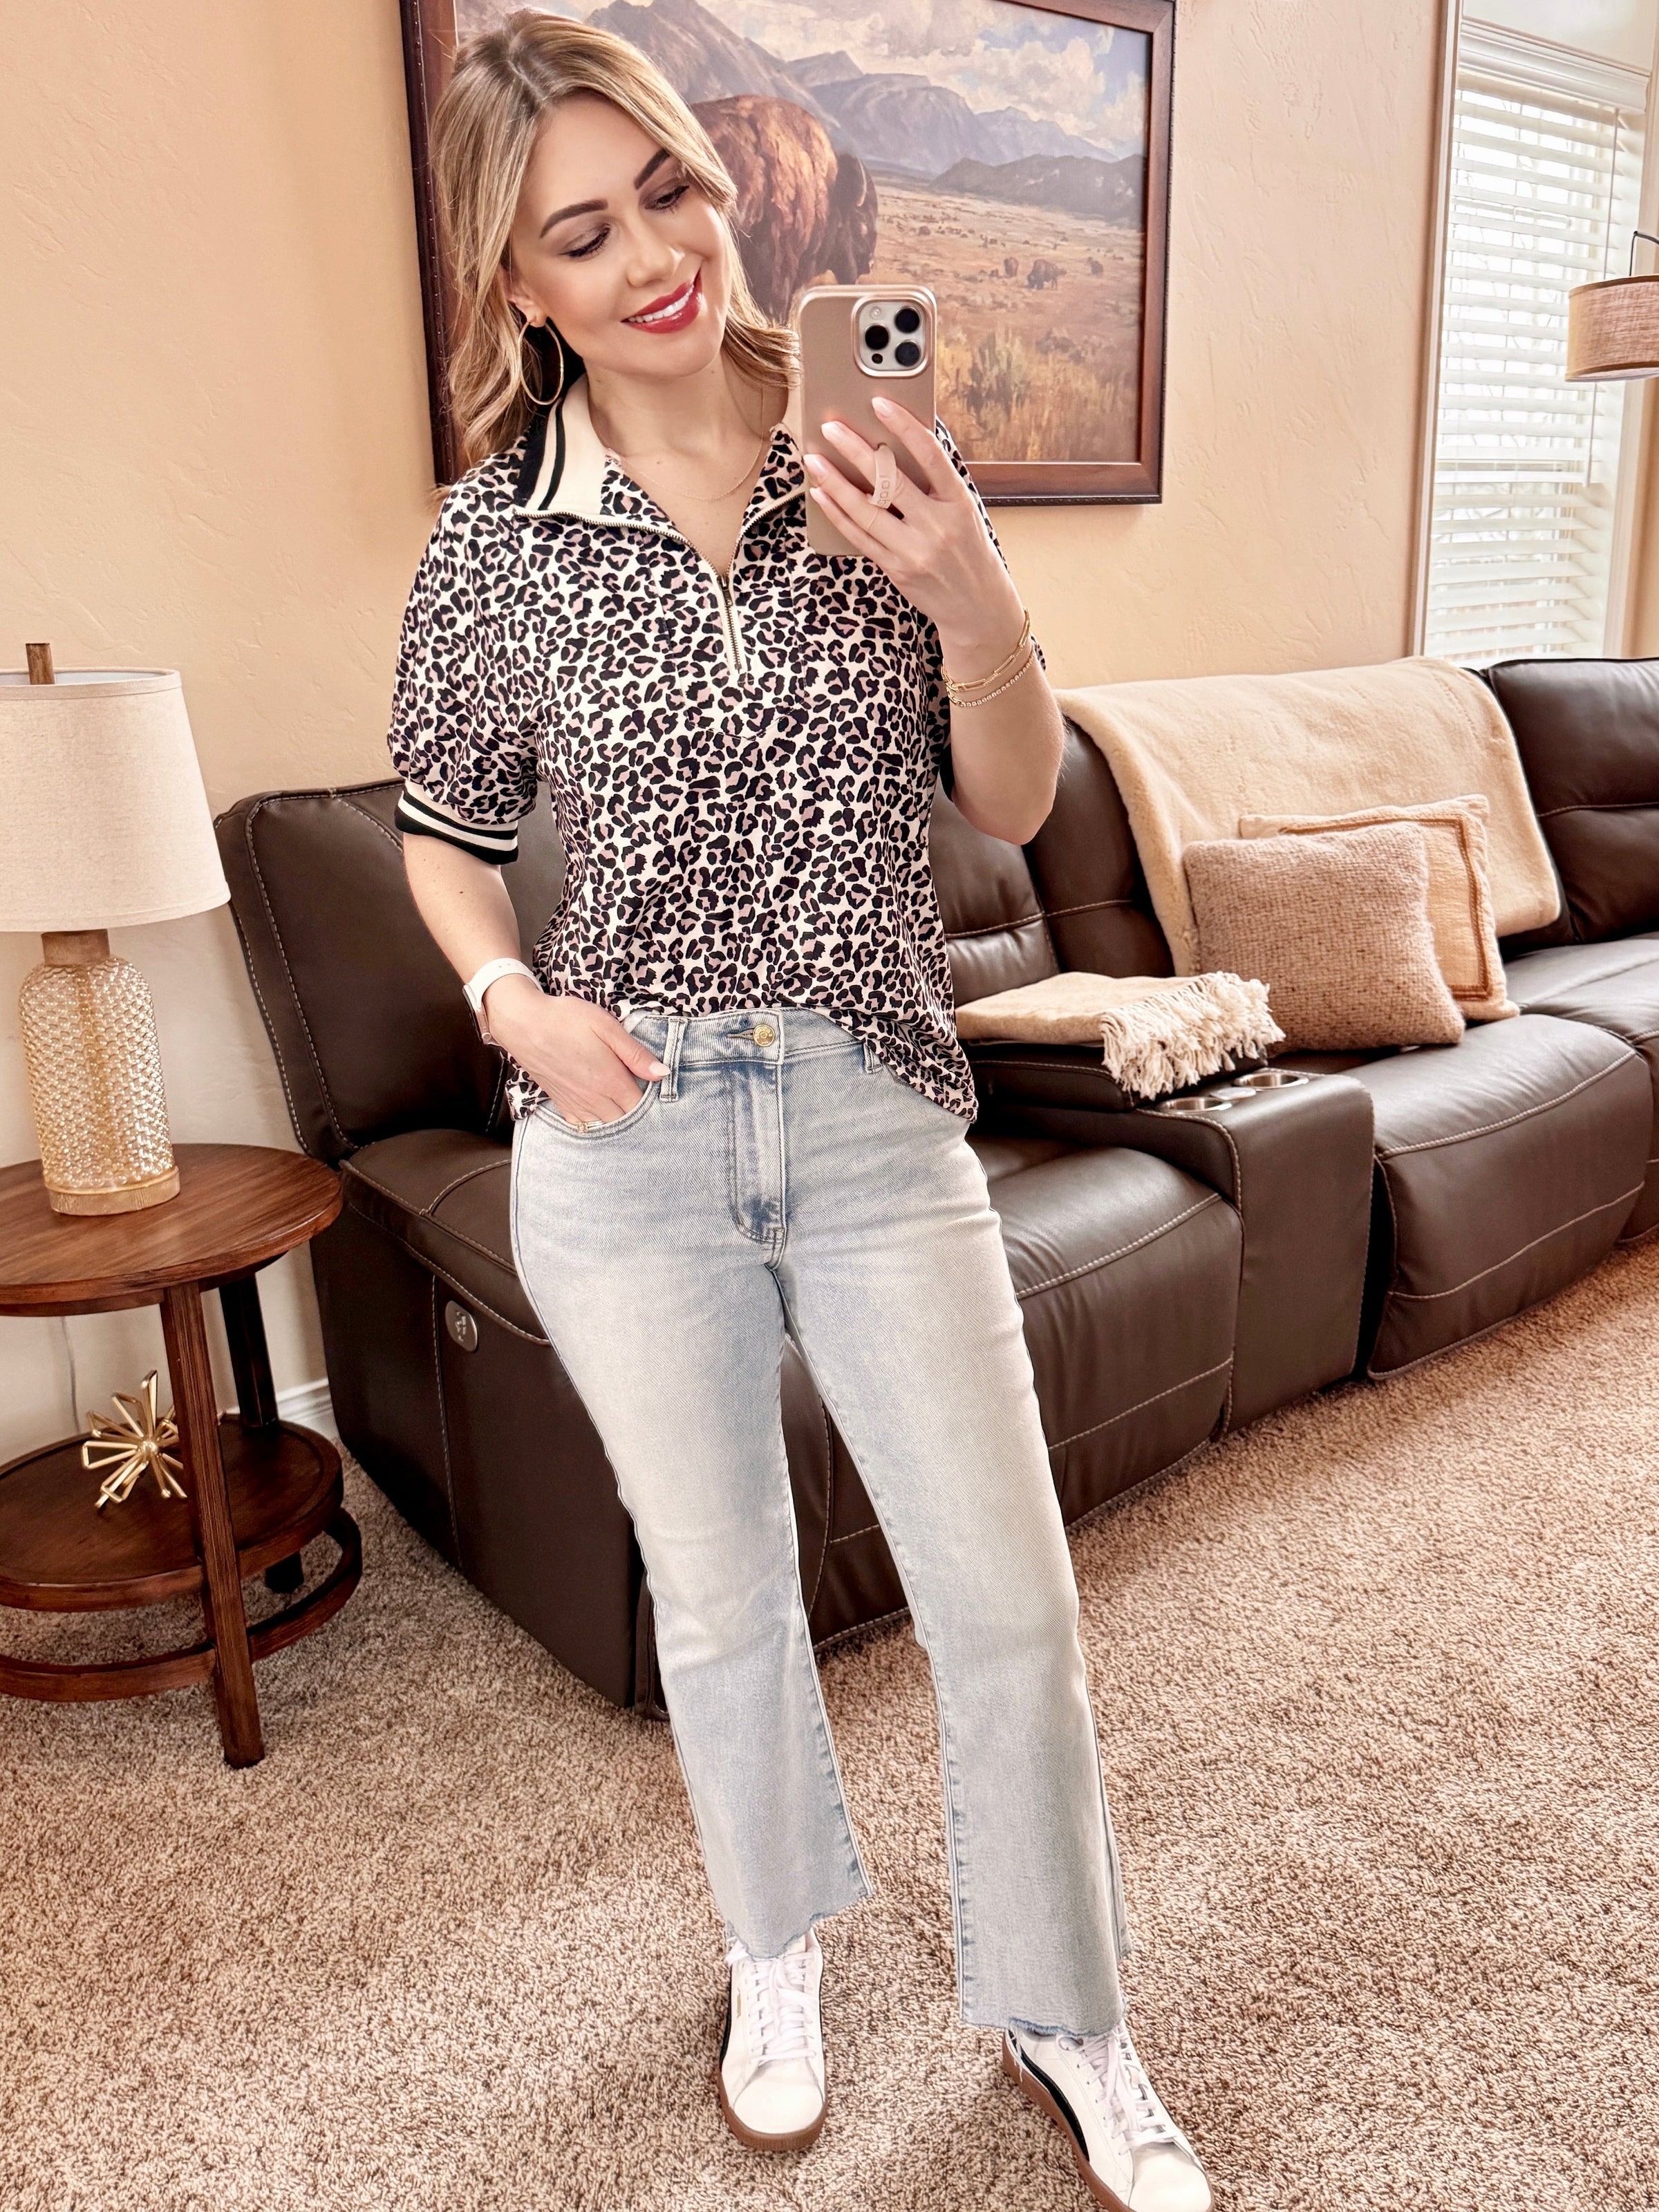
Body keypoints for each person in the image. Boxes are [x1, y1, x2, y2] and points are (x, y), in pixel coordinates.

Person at [388, 15, 1211, 2209]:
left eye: (665, 187)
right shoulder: (494, 542)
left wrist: (969, 589)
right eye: (582, 233)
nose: (655, 254)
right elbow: (441, 836)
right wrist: (510, 1003)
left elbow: (1012, 801)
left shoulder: (871, 441)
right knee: (727, 1605)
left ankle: (1066, 2008)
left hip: (873, 1112)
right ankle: (777, 1949)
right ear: (517, 284)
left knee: (1007, 1607)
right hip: (627, 1139)